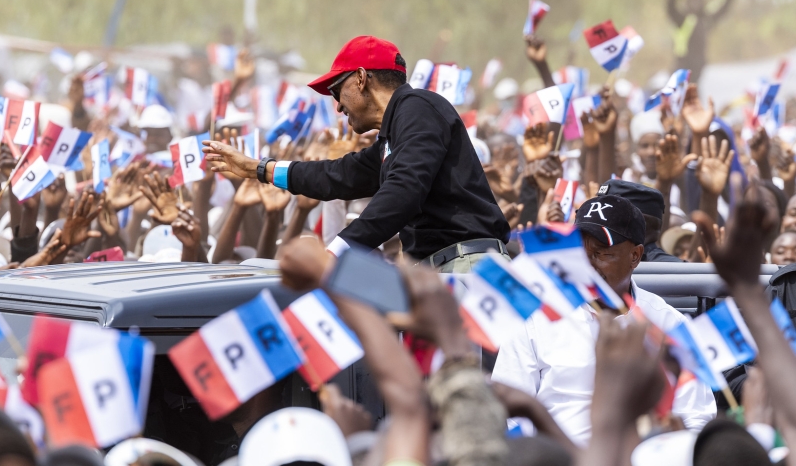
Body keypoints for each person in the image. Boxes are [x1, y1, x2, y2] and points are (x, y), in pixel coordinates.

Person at [203, 36, 510, 272]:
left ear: (361, 78)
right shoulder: (396, 131)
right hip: (447, 268)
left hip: (467, 268)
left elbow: (403, 190)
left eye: (337, 92)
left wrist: (336, 251)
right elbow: (337, 175)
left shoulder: (417, 107)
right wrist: (260, 169)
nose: (337, 106)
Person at [492, 195, 715, 445]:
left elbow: (696, 416)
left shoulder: (669, 324)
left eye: (600, 253)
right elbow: (508, 410)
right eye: (579, 252)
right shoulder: (536, 315)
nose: (587, 266)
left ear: (635, 256)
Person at [666, 0, 736, 82]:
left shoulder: (706, 19)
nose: (695, 2)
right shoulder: (680, 18)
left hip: (699, 70)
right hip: (681, 70)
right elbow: (670, 6)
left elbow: (724, 6)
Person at [597, 179, 683, 263]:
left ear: (640, 223)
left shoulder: (671, 269)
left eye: (605, 217)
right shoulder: (597, 260)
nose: (595, 223)